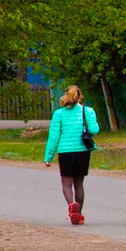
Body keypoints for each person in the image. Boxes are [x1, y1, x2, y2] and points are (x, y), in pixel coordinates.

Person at [40, 85, 100, 224]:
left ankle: (71, 205)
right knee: (79, 184)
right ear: (80, 96)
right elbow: (94, 129)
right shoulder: (87, 111)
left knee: (66, 184)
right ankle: (79, 213)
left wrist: (48, 157)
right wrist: (85, 130)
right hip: (82, 151)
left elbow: (54, 136)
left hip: (65, 152)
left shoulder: (59, 114)